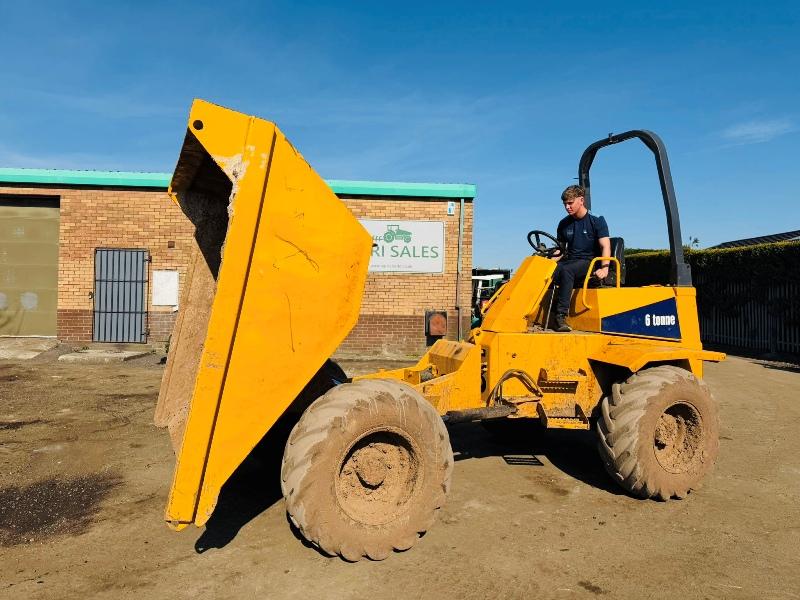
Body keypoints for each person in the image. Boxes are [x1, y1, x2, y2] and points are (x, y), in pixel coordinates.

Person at [552, 185, 611, 332]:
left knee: (567, 270)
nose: (567, 207)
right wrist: (547, 263)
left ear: (581, 200)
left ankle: (560, 316)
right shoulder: (563, 223)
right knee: (548, 270)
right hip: (571, 260)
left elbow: (605, 246)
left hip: (590, 262)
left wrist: (605, 268)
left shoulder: (596, 220)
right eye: (565, 204)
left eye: (570, 203)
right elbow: (560, 250)